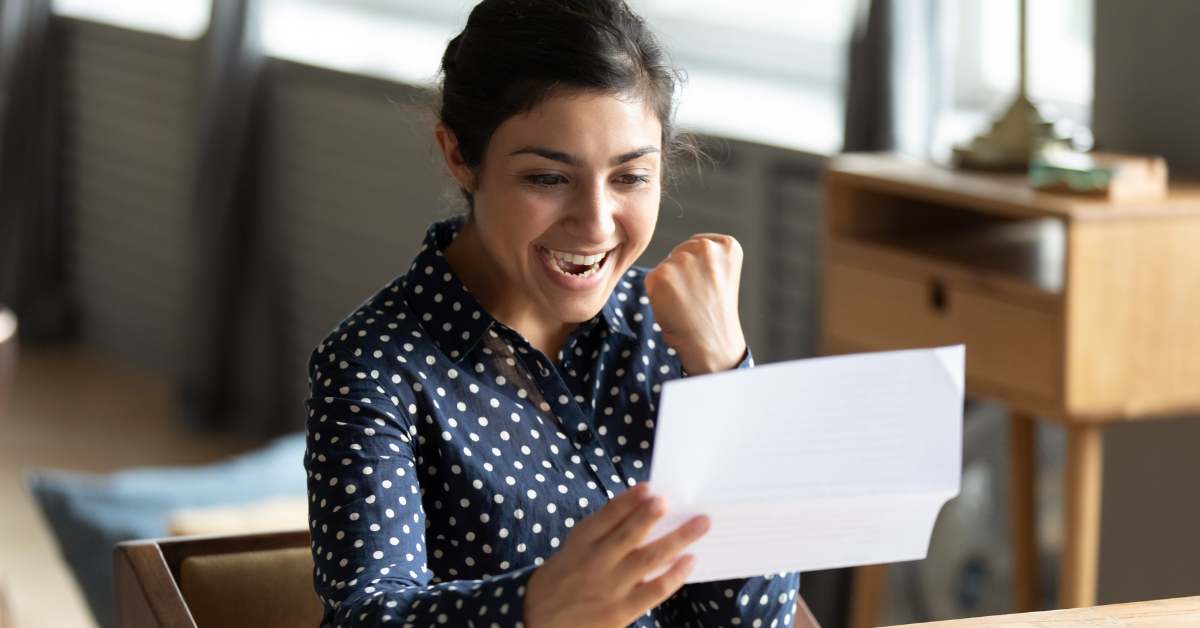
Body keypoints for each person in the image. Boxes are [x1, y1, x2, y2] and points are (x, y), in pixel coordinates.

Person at [303, 0, 802, 625]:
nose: (594, 223)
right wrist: (538, 609)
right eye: (547, 178)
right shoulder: (374, 366)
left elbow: (754, 618)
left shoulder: (675, 328)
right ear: (460, 157)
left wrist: (726, 373)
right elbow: (367, 615)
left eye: (630, 178)